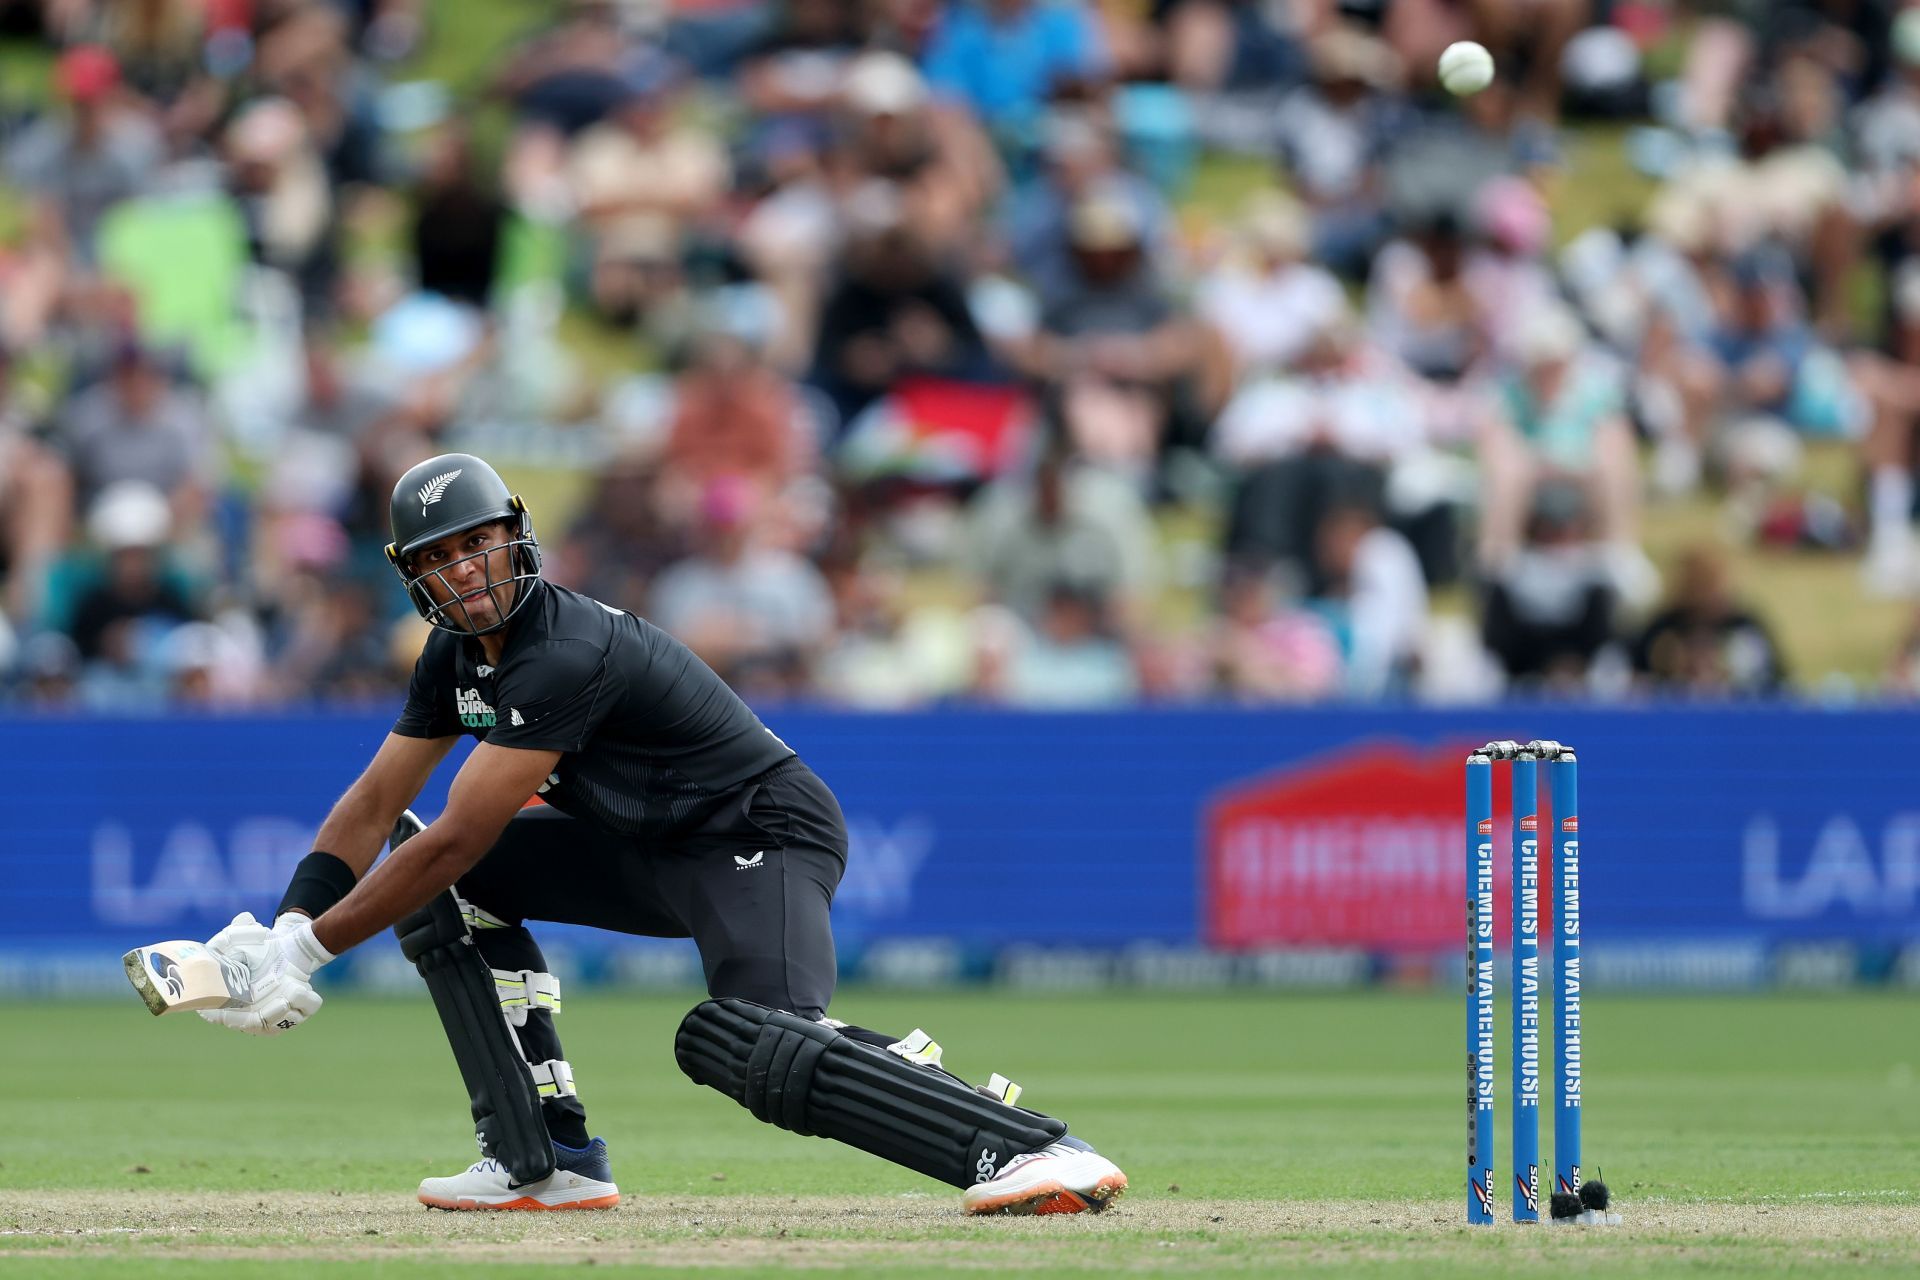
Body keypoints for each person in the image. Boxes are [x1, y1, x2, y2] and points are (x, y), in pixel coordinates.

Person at [182, 453, 1127, 1217]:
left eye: (479, 543)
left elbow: (461, 835)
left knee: (747, 1037)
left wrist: (304, 953)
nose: (465, 569)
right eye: (439, 556)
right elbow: (376, 800)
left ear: (518, 537)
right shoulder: (453, 657)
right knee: (441, 889)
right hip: (650, 849)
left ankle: (1029, 1146)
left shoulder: (563, 652)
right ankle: (543, 1159)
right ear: (412, 576)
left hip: (761, 833)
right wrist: (281, 924)